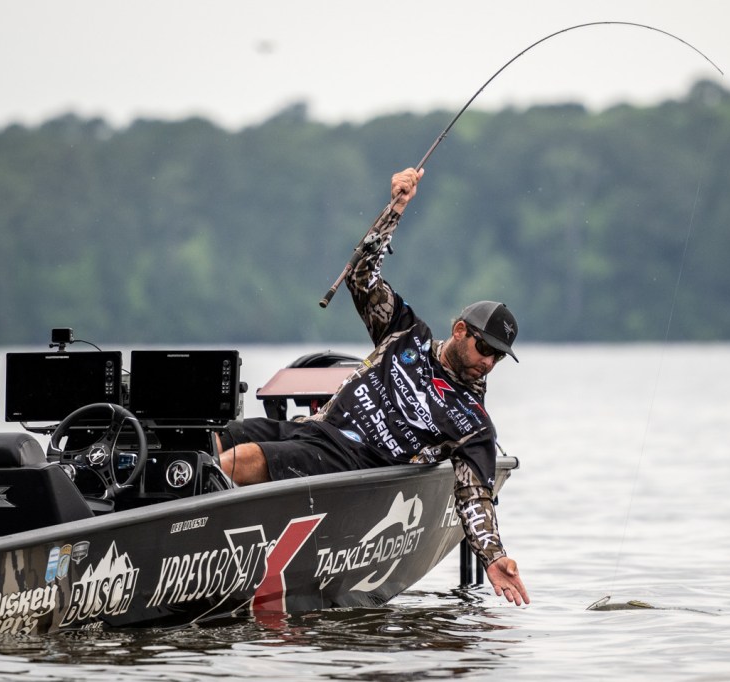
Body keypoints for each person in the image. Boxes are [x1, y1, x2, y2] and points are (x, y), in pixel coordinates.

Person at [217, 167, 529, 606]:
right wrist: (395, 209)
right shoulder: (407, 333)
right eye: (485, 348)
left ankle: (184, 529)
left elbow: (475, 495)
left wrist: (494, 556)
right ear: (460, 330)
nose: (489, 362)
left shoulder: (473, 423)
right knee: (218, 436)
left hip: (349, 465)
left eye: (498, 357)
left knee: (245, 459)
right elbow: (362, 277)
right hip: (313, 429)